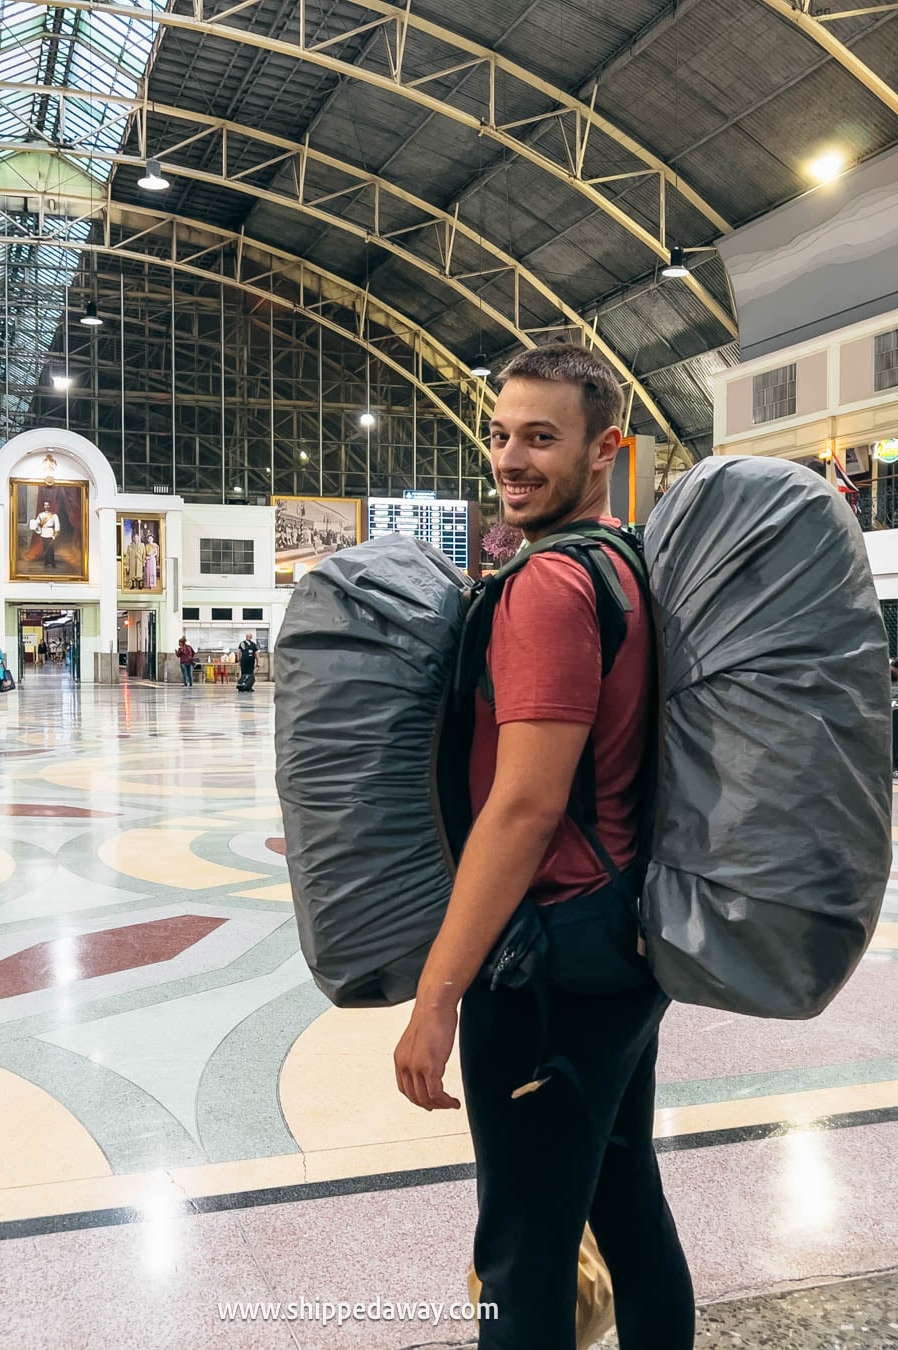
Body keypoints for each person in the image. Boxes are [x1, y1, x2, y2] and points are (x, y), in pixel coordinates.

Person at [392, 344, 694, 1350]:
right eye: (500, 434)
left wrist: (438, 996)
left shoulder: (550, 588)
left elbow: (522, 810)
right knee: (627, 1206)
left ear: (607, 448)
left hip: (547, 967)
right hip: (623, 947)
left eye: (541, 438)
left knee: (521, 1260)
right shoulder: (629, 565)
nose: (510, 460)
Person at [30, 501, 61, 569]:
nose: (46, 506)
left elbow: (57, 525)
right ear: (44, 506)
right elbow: (37, 523)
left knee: (50, 548)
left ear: (49, 506)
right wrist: (36, 529)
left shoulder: (54, 515)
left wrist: (55, 534)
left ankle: (52, 562)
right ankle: (46, 562)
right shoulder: (40, 515)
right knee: (45, 548)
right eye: (45, 505)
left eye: (47, 505)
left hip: (50, 533)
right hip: (44, 533)